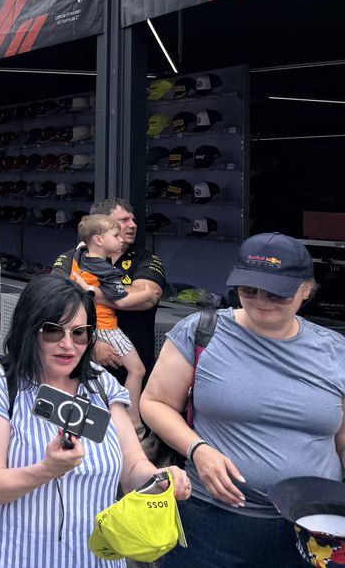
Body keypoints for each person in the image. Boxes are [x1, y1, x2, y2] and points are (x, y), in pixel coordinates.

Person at [0, 273, 190, 568]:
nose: (68, 345)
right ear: (29, 330)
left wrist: (159, 478)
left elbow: (132, 466)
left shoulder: (101, 386)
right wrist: (46, 470)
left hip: (93, 558)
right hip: (13, 555)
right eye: (53, 332)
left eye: (79, 333)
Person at [140, 233, 345, 568]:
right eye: (249, 290)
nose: (261, 299)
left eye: (277, 292)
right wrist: (198, 449)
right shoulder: (202, 330)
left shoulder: (335, 350)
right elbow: (155, 402)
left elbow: (342, 440)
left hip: (316, 529)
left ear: (306, 290)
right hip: (211, 520)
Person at [51, 197, 165, 378]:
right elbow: (57, 300)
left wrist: (89, 292)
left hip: (130, 370)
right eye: (124, 220)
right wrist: (91, 344)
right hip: (82, 366)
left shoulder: (147, 259)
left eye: (133, 219)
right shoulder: (71, 258)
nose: (133, 225)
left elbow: (149, 298)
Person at [67, 215, 147, 428]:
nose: (121, 239)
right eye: (115, 235)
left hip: (85, 325)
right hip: (106, 327)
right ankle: (133, 420)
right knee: (137, 370)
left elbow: (82, 244)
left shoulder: (80, 255)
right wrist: (147, 293)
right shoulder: (107, 271)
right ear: (99, 240)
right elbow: (121, 299)